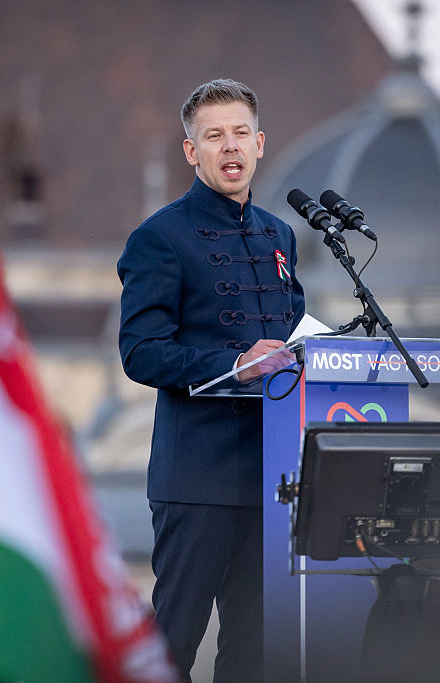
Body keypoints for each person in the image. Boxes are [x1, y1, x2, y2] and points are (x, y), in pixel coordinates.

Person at [117, 78, 305, 681]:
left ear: (260, 143)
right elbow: (141, 352)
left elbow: (291, 329)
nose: (231, 148)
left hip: (271, 472)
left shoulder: (280, 235)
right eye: (214, 136)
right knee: (174, 639)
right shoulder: (159, 237)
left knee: (253, 648)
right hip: (196, 475)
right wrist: (234, 364)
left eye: (241, 134)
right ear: (190, 151)